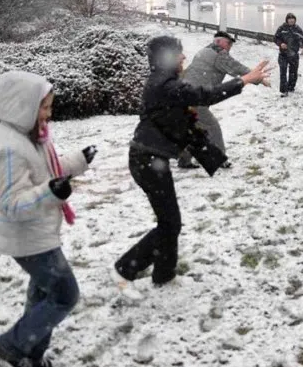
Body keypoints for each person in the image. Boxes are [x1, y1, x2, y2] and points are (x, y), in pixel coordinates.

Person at [110, 35, 270, 299]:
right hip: (147, 161)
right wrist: (243, 80)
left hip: (150, 160)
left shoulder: (165, 84)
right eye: (179, 54)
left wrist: (213, 158)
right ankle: (125, 269)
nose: (185, 57)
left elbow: (186, 126)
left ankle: (164, 274)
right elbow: (204, 95)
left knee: (170, 221)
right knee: (170, 223)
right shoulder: (165, 86)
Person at [0, 71, 97, 367]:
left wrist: (79, 161)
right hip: (28, 238)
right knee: (64, 294)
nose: (49, 113)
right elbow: (12, 203)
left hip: (40, 231)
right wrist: (51, 192)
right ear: (24, 106)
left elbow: (49, 168)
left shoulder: (31, 136)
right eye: (44, 107)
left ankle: (31, 354)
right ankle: (12, 344)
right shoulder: (10, 149)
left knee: (43, 296)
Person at [177, 30, 267, 169]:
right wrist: (257, 77)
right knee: (212, 127)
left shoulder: (204, 51)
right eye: (228, 43)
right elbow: (236, 67)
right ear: (218, 41)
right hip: (196, 97)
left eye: (231, 44)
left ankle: (184, 159)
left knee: (194, 127)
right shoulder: (218, 53)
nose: (229, 46)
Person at [274, 12, 303, 97]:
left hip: (294, 55)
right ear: (287, 20)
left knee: (293, 72)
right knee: (283, 72)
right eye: (289, 19)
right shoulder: (282, 28)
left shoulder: (297, 29)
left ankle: (291, 87)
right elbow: (275, 38)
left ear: (295, 20)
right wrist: (280, 44)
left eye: (293, 19)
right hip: (283, 54)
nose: (291, 20)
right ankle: (284, 91)